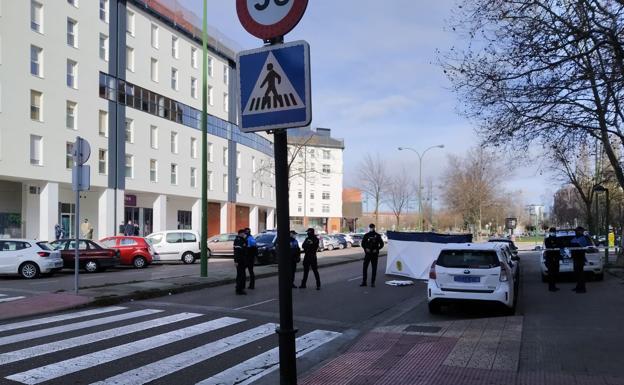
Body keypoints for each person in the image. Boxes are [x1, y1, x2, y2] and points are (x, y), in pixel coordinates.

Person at [570, 226, 590, 293]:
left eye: (577, 231)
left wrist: (575, 245)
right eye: (575, 231)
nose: (576, 232)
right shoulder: (575, 238)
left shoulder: (583, 238)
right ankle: (578, 287)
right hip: (575, 258)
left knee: (580, 274)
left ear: (581, 231)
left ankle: (582, 289)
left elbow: (582, 246)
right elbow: (571, 242)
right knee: (577, 274)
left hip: (580, 258)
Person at [543, 227, 561, 292]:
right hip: (550, 258)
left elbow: (559, 245)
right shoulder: (547, 239)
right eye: (552, 231)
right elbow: (549, 246)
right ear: (550, 232)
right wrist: (554, 245)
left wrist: (554, 245)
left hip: (556, 258)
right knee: (551, 273)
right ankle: (551, 287)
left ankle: (554, 286)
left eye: (554, 231)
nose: (553, 233)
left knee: (556, 272)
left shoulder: (557, 239)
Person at [233, 229, 248, 295]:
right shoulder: (238, 240)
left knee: (242, 275)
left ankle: (240, 288)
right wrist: (236, 261)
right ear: (240, 233)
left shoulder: (242, 240)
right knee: (241, 275)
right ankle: (239, 289)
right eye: (243, 233)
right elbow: (237, 252)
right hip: (239, 261)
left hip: (242, 260)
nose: (244, 235)